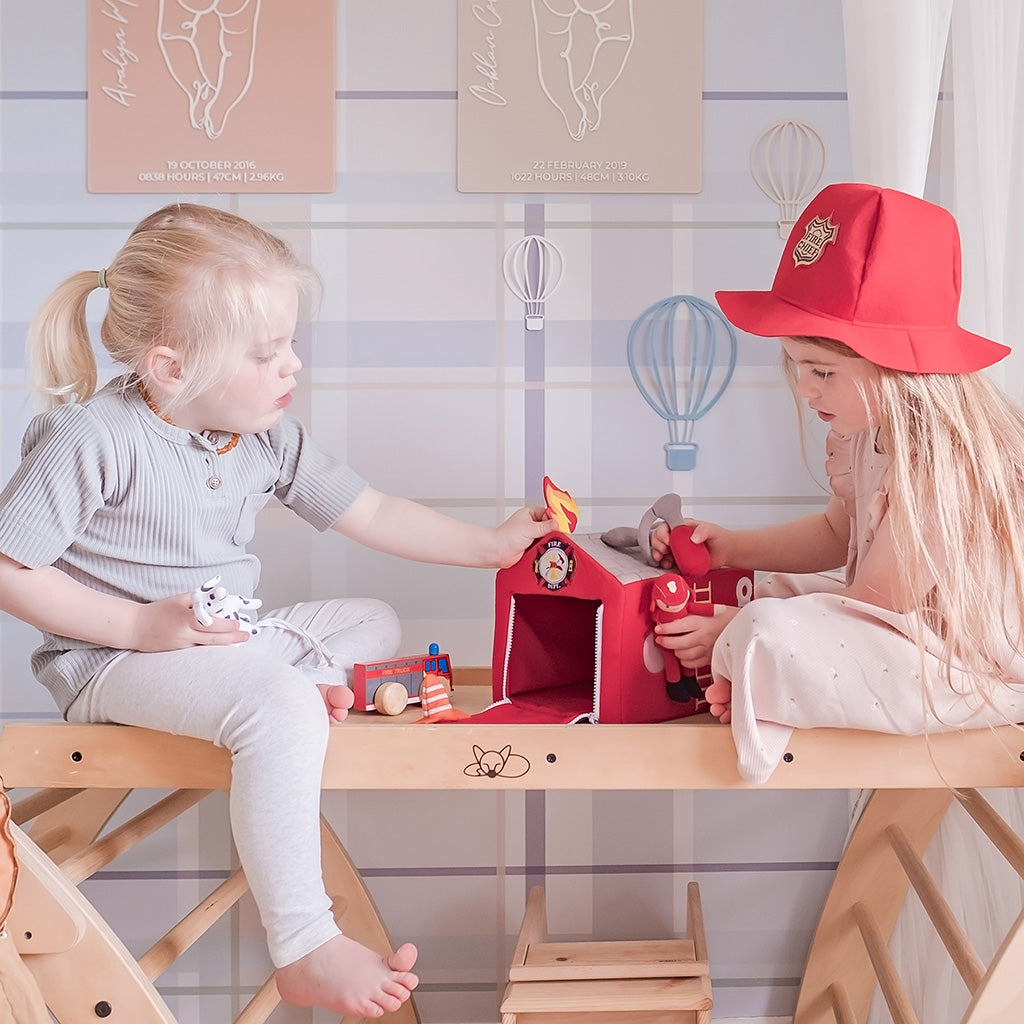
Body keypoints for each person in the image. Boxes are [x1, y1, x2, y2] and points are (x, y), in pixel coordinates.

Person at [0, 202, 552, 1017]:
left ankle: (283, 687)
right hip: (115, 661)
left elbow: (373, 510)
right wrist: (138, 627)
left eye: (291, 343)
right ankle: (305, 943)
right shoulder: (91, 438)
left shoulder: (261, 434)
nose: (292, 366)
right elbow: (10, 569)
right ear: (170, 367)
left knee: (373, 621)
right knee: (281, 701)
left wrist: (488, 547)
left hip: (224, 640)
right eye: (266, 353)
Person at [651, 181, 1024, 785]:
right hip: (893, 626)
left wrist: (734, 630)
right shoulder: (865, 431)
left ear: (903, 371)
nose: (804, 390)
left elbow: (875, 601)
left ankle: (753, 667)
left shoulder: (942, 464)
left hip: (961, 667)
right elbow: (836, 531)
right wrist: (735, 546)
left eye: (822, 371)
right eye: (795, 367)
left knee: (768, 627)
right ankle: (757, 667)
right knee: (777, 595)